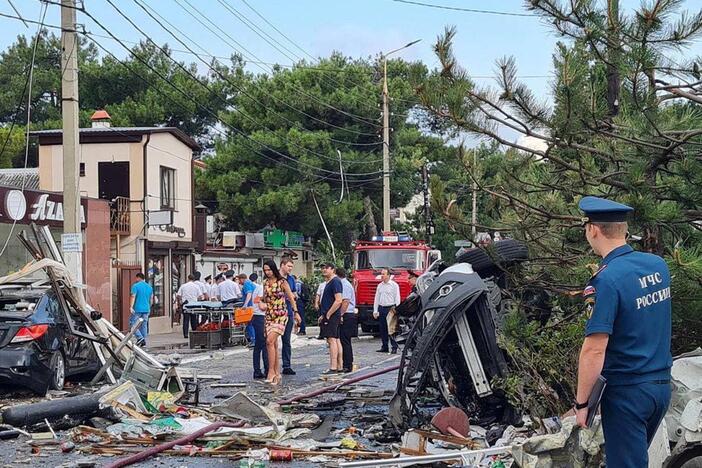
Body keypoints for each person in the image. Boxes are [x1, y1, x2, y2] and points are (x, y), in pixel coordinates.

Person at [574, 196, 672, 467]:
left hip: (628, 393)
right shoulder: (657, 266)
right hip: (661, 388)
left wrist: (582, 405)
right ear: (623, 229)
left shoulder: (605, 280)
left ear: (593, 229)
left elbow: (594, 349)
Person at [261, 260, 298, 385]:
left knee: (269, 341)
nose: (267, 272)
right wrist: (261, 304)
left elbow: (291, 298)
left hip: (281, 315)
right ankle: (276, 372)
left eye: (269, 270)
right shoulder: (265, 283)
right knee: (273, 344)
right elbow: (264, 298)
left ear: (274, 269)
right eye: (265, 270)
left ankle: (271, 371)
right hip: (269, 315)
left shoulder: (282, 282)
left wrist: (296, 312)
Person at [318, 263, 343, 374]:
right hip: (329, 314)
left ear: (333, 269)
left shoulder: (335, 281)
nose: (324, 270)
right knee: (335, 339)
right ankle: (339, 365)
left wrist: (328, 314)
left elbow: (338, 300)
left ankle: (333, 367)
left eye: (326, 268)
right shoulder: (329, 282)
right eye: (322, 268)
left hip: (332, 315)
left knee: (332, 339)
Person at [279, 257, 302, 375]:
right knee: (271, 341)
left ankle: (286, 365)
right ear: (282, 265)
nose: (290, 269)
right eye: (288, 266)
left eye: (291, 267)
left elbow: (293, 294)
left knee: (286, 340)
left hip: (288, 311)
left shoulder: (291, 279)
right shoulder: (275, 278)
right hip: (276, 312)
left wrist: (295, 311)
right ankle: (270, 366)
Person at [373, 268, 401, 354]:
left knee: (392, 329)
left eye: (384, 274)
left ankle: (394, 347)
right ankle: (384, 346)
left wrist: (397, 309)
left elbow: (397, 298)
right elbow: (377, 298)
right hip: (382, 308)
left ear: (388, 275)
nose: (382, 275)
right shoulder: (380, 286)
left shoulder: (394, 285)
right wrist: (375, 310)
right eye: (381, 274)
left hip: (391, 308)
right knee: (383, 328)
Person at [336, 268, 357, 373]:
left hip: (347, 315)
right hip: (346, 314)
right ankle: (345, 363)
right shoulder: (344, 284)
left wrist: (340, 315)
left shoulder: (344, 285)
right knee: (343, 340)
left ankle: (347, 365)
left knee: (345, 341)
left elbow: (345, 301)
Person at [249, 273, 268, 379]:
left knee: (259, 345)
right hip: (260, 317)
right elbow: (261, 306)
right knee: (264, 344)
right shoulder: (262, 289)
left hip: (258, 317)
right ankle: (265, 369)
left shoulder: (259, 288)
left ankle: (258, 370)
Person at [129, 272, 153, 347]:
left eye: (136, 278)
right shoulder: (149, 287)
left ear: (138, 278)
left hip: (137, 308)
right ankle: (144, 341)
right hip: (146, 308)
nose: (136, 280)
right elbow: (151, 299)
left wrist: (131, 306)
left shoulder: (135, 286)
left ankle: (140, 338)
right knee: (144, 325)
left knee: (132, 323)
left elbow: (133, 296)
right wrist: (149, 307)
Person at [177, 274, 202, 338]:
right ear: (193, 279)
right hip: (194, 304)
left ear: (188, 278)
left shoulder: (183, 286)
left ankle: (185, 334)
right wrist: (197, 300)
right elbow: (200, 296)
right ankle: (194, 332)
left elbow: (178, 295)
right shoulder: (196, 286)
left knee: (186, 320)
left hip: (186, 305)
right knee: (193, 319)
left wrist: (180, 302)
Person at [239, 273, 257, 346]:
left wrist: (245, 304)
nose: (239, 282)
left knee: (250, 323)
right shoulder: (250, 283)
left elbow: (249, 294)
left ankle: (253, 340)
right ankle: (253, 339)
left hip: (250, 306)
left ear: (242, 279)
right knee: (252, 323)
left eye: (239, 280)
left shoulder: (246, 284)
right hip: (254, 305)